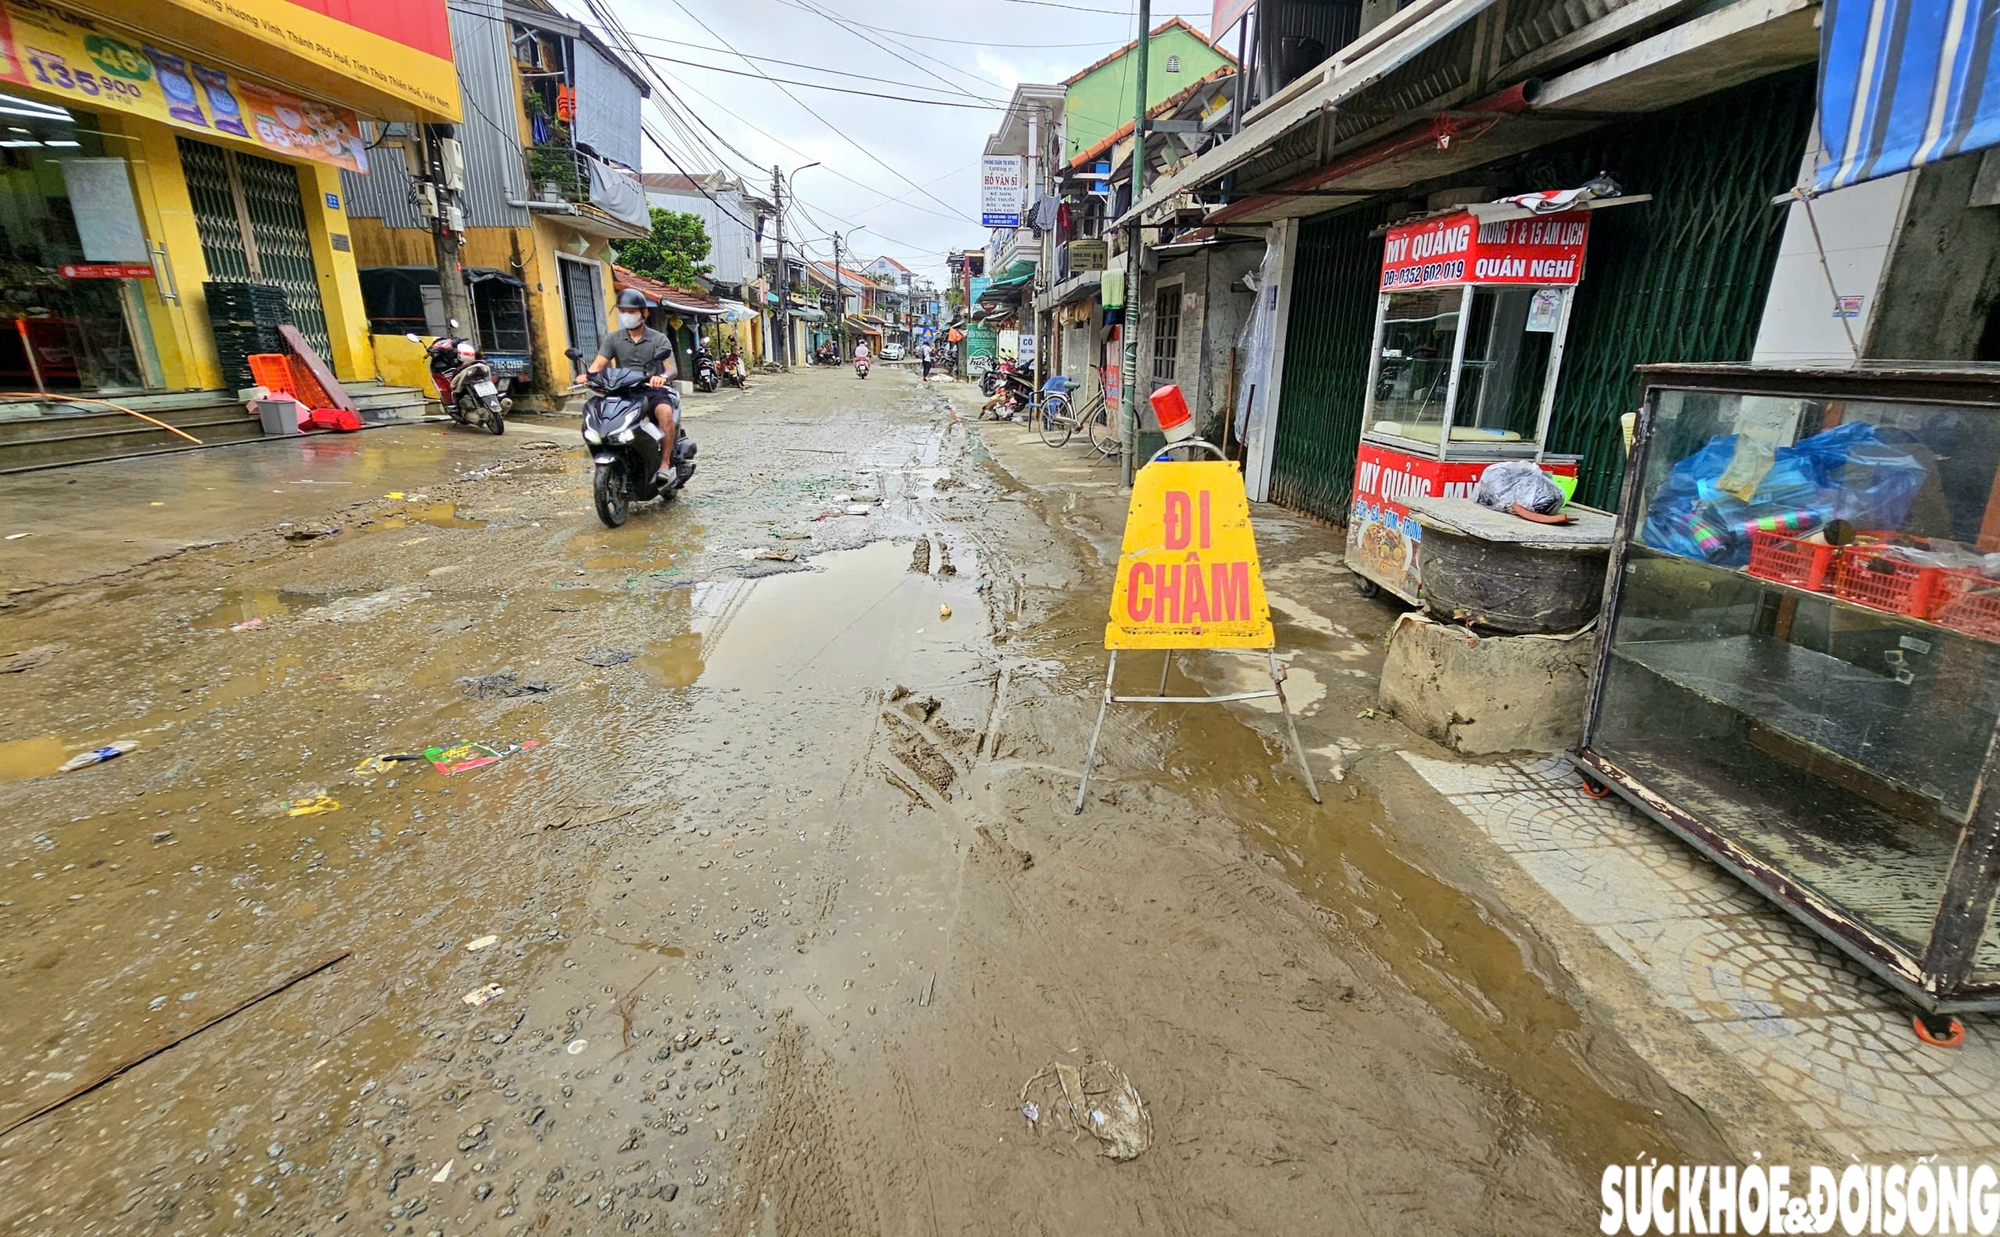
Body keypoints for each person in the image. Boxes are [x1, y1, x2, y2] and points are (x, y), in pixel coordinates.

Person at [586, 289, 680, 482]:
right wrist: (587, 375)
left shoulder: (658, 339)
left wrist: (662, 376)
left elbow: (671, 368)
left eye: (631, 311)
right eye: (623, 311)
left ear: (644, 313)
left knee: (665, 413)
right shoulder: (613, 339)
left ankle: (664, 463)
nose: (626, 316)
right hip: (622, 392)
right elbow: (598, 365)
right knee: (599, 414)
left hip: (652, 390)